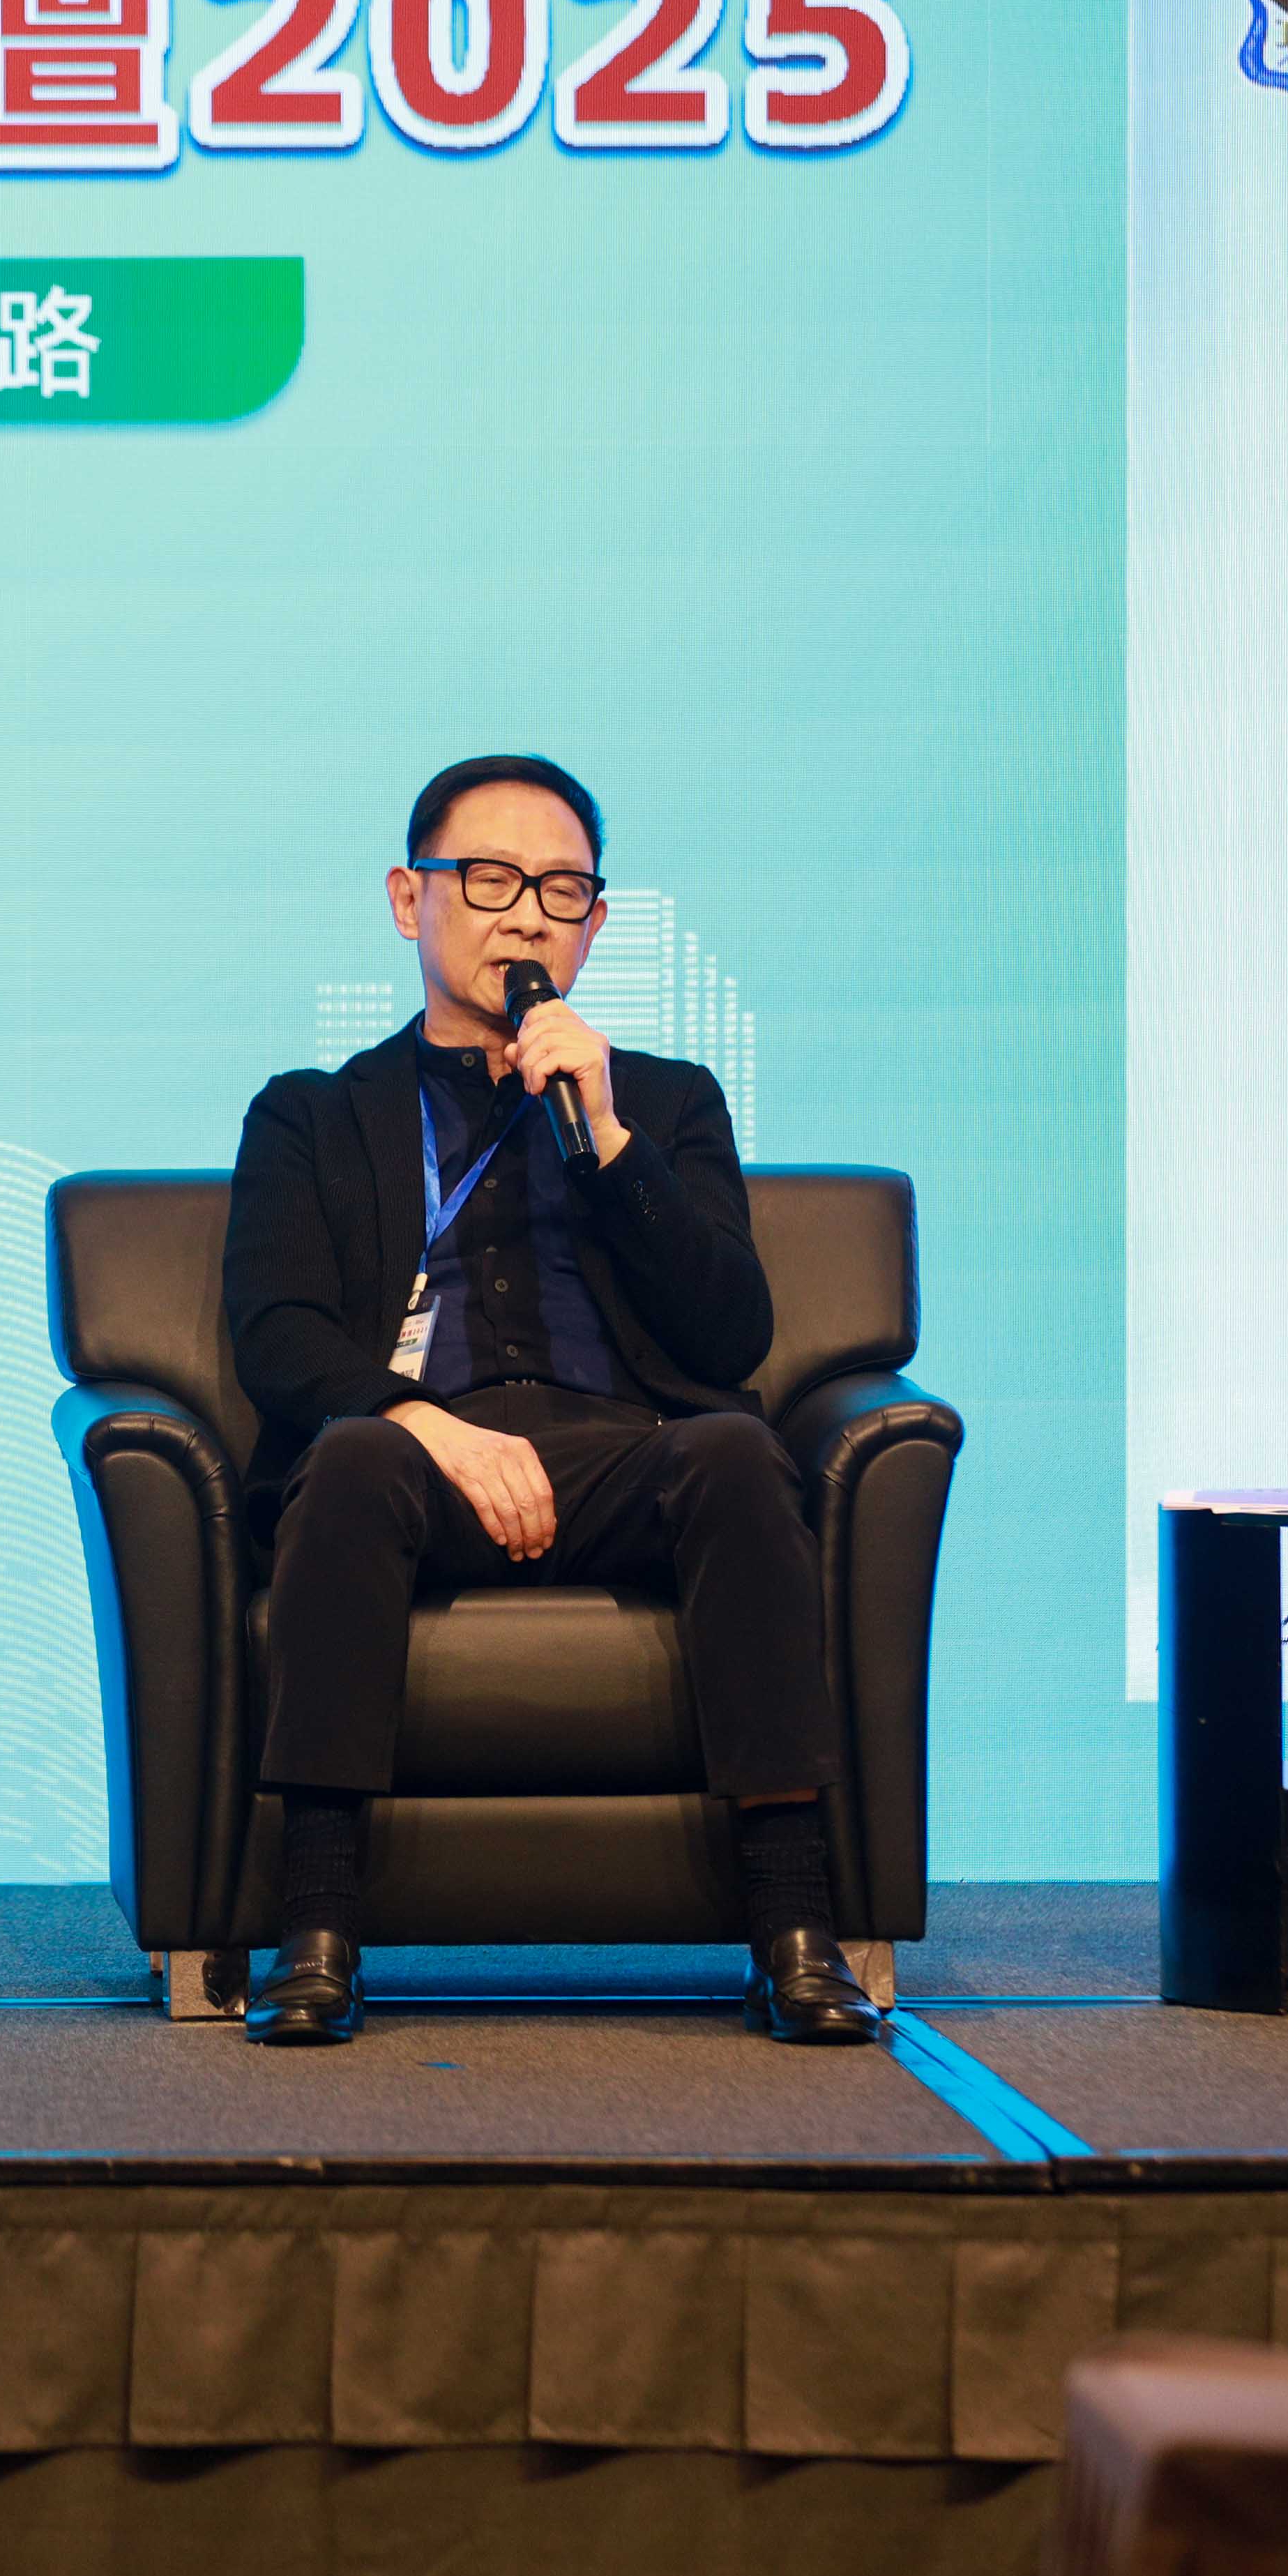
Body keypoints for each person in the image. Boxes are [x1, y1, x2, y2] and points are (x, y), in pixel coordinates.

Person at [219, 752, 871, 2049]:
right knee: (346, 1460)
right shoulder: (312, 1116)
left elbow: (730, 1332)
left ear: (595, 923)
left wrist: (611, 1137)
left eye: (561, 891)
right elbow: (277, 1332)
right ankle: (316, 1932)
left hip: (625, 1457)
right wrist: (430, 1429)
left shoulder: (665, 1102)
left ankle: (797, 1932)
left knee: (736, 1455)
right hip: (414, 1456)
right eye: (491, 880)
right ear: (409, 898)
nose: (526, 918)